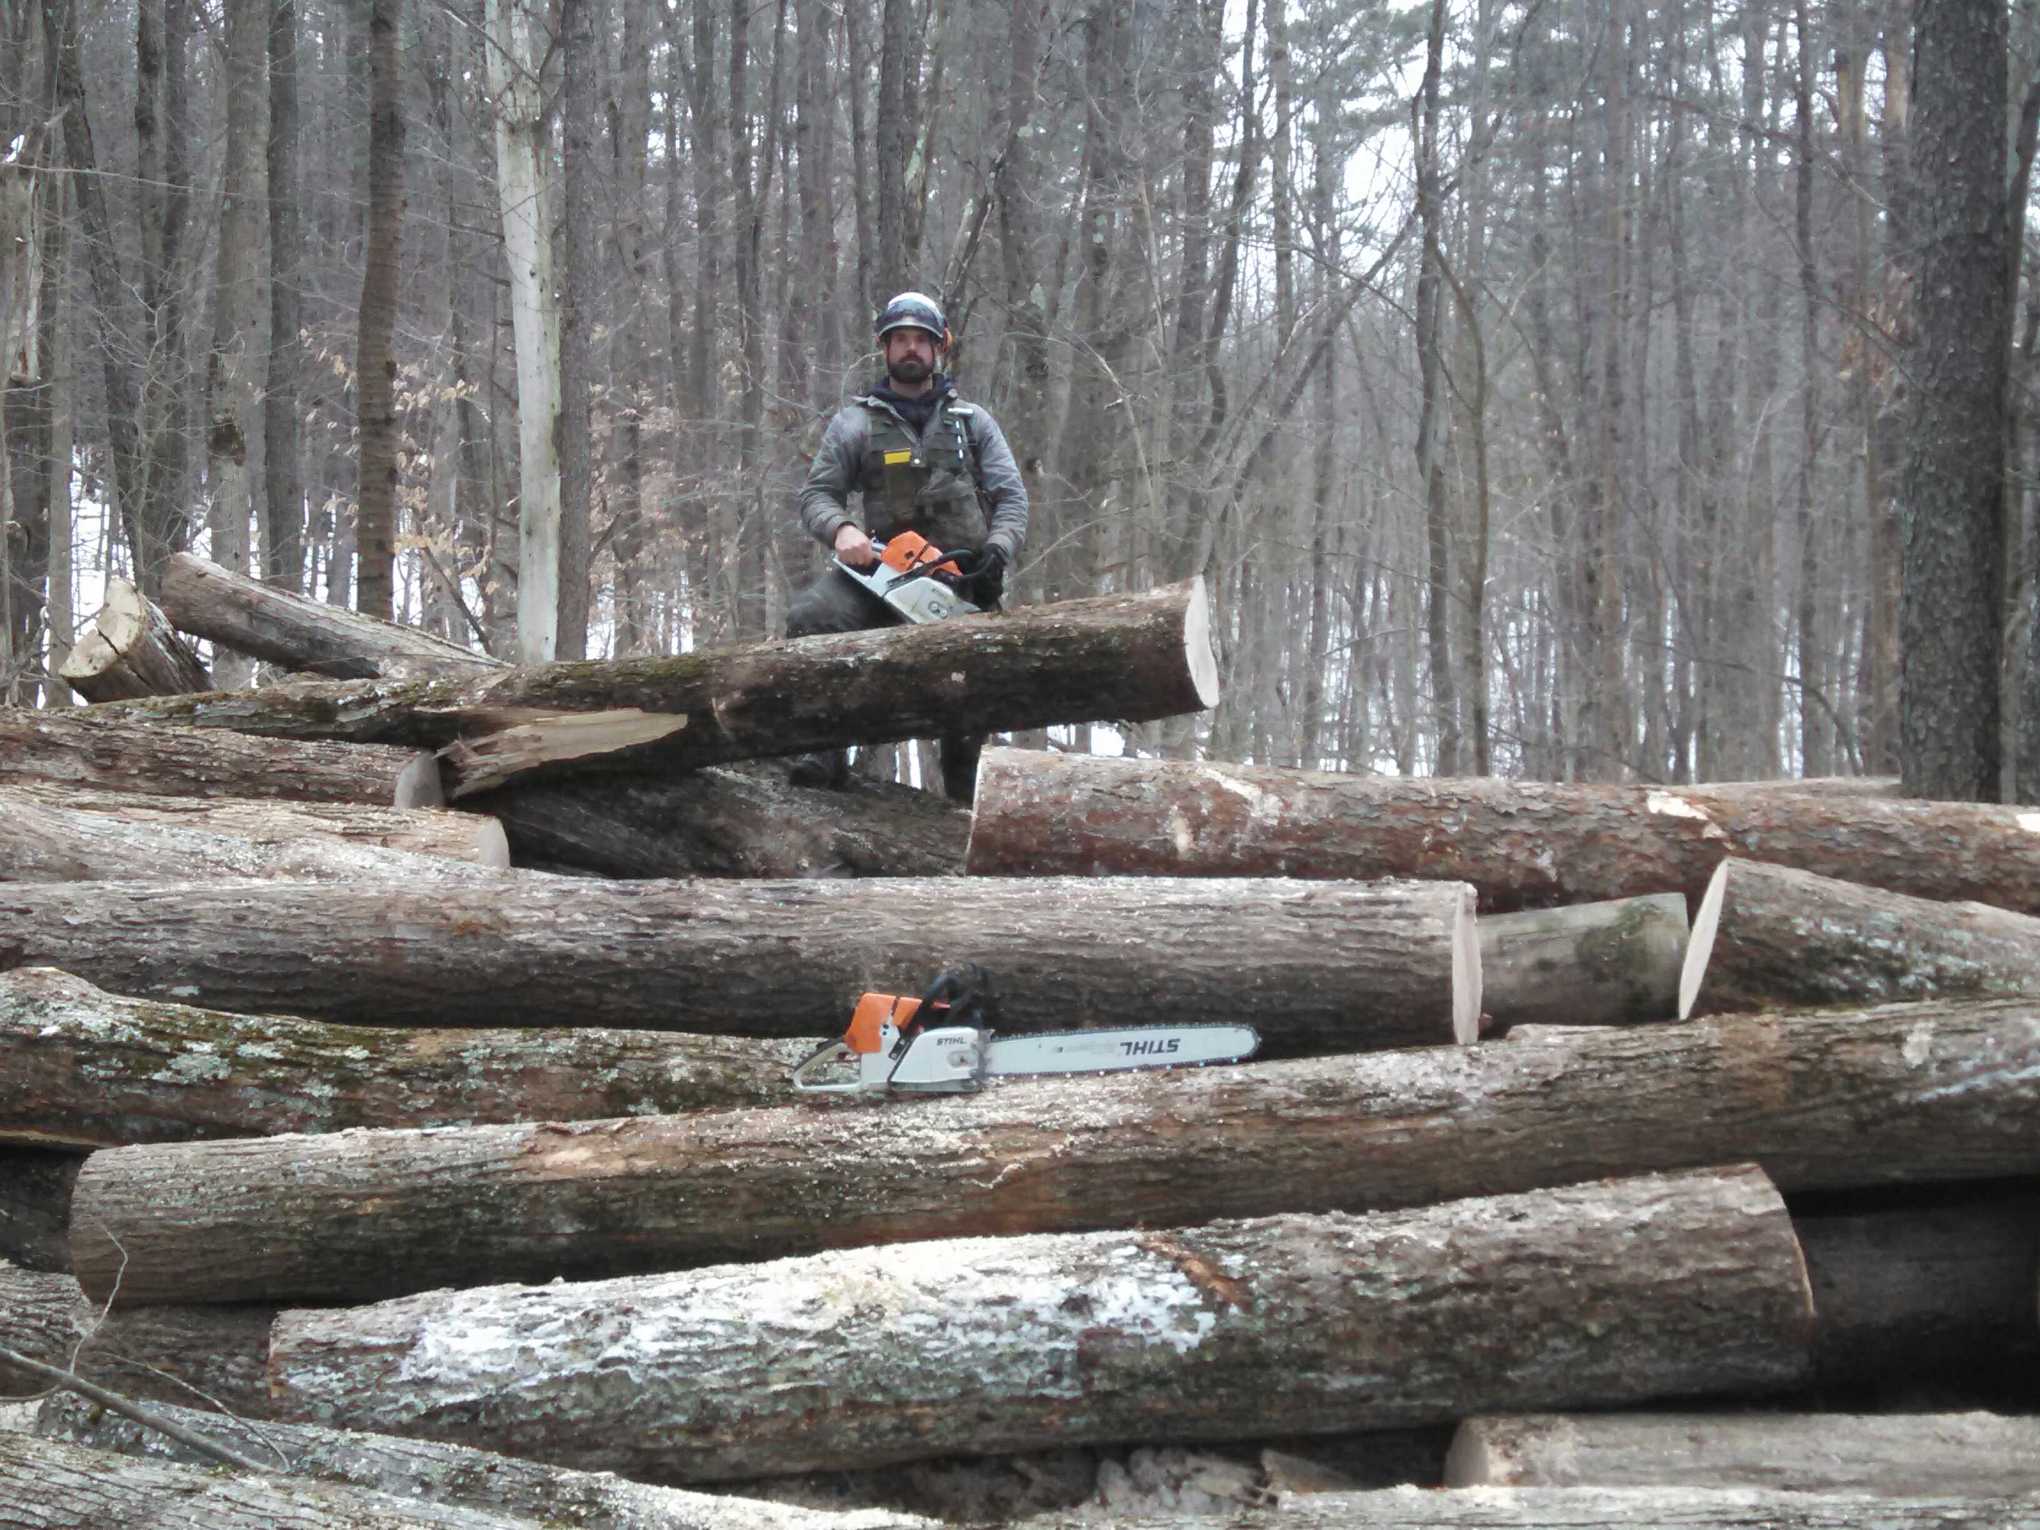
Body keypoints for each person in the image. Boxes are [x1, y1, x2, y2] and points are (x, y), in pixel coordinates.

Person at [785, 290, 1030, 802]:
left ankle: (968, 797)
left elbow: (1011, 498)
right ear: (885, 349)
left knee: (977, 677)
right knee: (813, 617)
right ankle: (822, 753)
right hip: (884, 576)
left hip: (960, 580)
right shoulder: (855, 423)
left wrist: (997, 552)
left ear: (940, 348)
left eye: (922, 340)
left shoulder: (973, 422)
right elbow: (817, 495)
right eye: (902, 341)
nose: (912, 350)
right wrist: (841, 530)